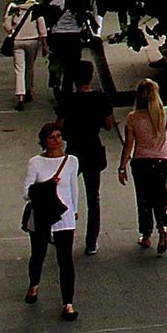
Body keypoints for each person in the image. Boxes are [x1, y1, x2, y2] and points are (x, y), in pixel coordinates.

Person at [55, 61, 117, 254]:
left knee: (64, 193)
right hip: (93, 149)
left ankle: (62, 233)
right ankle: (91, 242)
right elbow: (108, 125)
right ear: (91, 78)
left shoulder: (68, 100)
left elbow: (59, 125)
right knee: (93, 198)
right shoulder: (100, 99)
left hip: (73, 150)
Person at [22, 122, 81, 320]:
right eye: (51, 137)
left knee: (65, 260)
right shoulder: (35, 162)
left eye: (59, 136)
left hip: (64, 215)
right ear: (44, 141)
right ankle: (34, 284)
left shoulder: (71, 161)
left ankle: (68, 303)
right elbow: (27, 193)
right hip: (42, 215)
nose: (56, 141)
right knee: (38, 254)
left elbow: (73, 188)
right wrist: (48, 185)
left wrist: (75, 210)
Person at [118, 78, 167, 253]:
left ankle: (146, 235)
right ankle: (163, 229)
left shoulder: (133, 118)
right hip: (162, 162)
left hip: (141, 163)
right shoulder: (166, 113)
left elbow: (128, 145)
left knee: (144, 199)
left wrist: (122, 167)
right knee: (161, 197)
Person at [3, 0, 44, 110]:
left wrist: (12, 31)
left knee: (19, 69)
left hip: (17, 40)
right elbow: (41, 25)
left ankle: (20, 95)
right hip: (33, 40)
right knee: (30, 66)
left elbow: (7, 25)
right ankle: (29, 89)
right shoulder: (35, 6)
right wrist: (44, 42)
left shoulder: (13, 6)